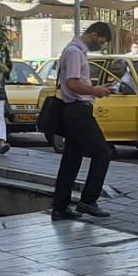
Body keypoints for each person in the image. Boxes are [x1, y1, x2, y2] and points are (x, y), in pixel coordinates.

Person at [51, 21, 114, 222]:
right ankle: (88, 200)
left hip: (72, 109)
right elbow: (72, 83)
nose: (101, 46)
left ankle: (60, 206)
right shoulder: (75, 52)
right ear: (94, 34)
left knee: (71, 159)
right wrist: (95, 90)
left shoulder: (73, 50)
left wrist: (94, 90)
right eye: (101, 42)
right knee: (103, 153)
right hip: (78, 110)